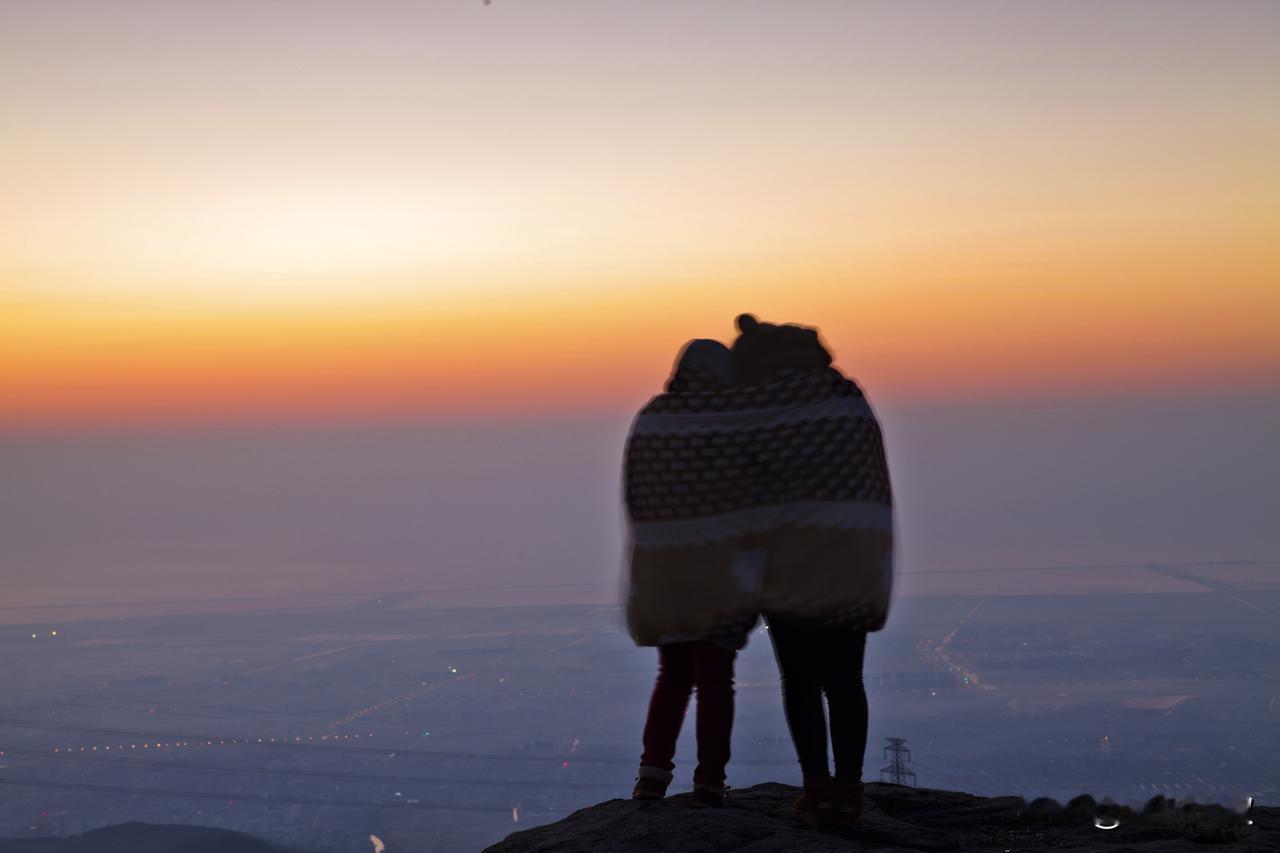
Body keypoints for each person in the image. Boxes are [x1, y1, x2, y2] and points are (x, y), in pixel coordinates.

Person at [730, 314, 892, 827]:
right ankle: (849, 791)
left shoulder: (762, 409)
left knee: (799, 680)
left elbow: (749, 492)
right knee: (846, 680)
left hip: (788, 566)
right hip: (852, 560)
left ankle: (816, 787)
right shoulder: (849, 399)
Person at [626, 339, 748, 809]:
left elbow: (634, 493)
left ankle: (651, 776)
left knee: (673, 674)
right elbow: (747, 498)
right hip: (720, 573)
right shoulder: (731, 426)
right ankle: (710, 781)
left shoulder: (653, 418)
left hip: (663, 570)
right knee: (716, 676)